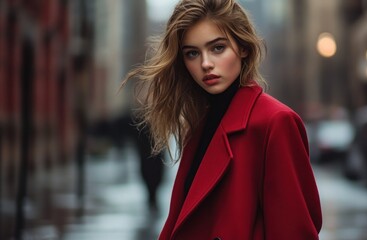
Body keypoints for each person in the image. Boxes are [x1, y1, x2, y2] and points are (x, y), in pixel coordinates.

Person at [125, 0, 322, 239]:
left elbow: (293, 232)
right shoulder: (200, 124)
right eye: (192, 53)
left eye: (218, 48)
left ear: (243, 47)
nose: (205, 64)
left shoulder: (275, 122)